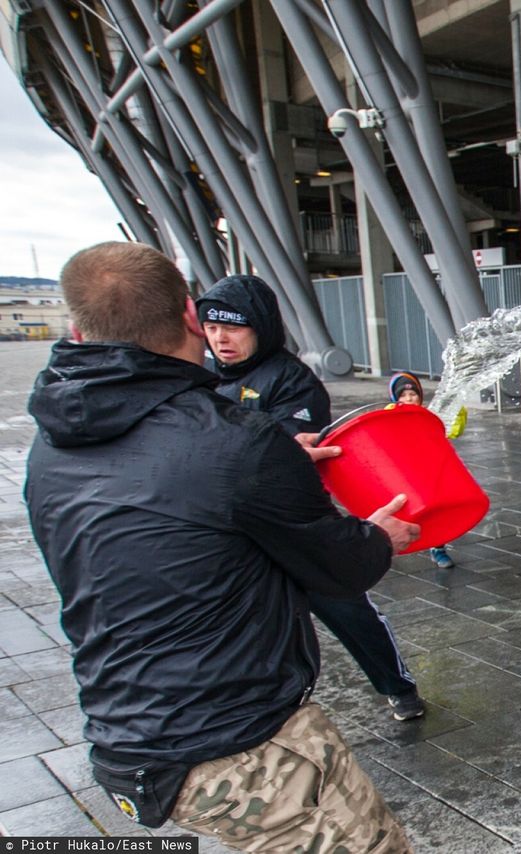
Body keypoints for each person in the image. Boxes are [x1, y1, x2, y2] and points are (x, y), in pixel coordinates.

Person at [25, 242, 415, 849]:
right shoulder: (238, 441)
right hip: (239, 745)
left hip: (123, 729)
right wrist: (379, 534)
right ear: (189, 316)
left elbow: (166, 497)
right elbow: (343, 566)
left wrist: (270, 470)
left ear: (78, 329)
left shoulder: (51, 445)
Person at [199, 275, 427, 721]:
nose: (221, 338)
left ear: (261, 327)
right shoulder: (198, 376)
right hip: (229, 527)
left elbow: (282, 454)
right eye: (210, 327)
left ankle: (398, 686)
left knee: (348, 607)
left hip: (295, 523)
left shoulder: (291, 380)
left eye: (234, 327)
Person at [389, 371, 455, 569]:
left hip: (429, 470)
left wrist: (457, 412)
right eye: (403, 396)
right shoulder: (389, 416)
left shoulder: (428, 415)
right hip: (404, 472)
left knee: (436, 508)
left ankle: (438, 547)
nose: (409, 399)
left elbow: (450, 432)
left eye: (413, 395)